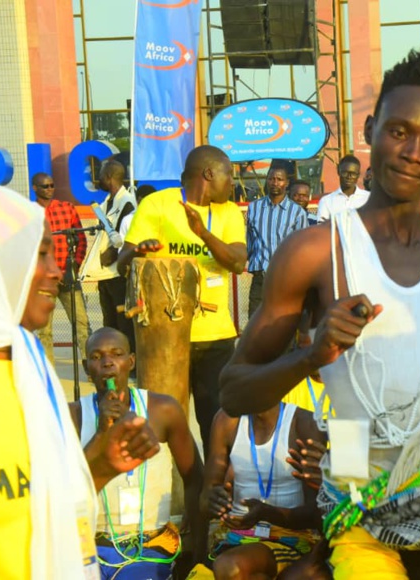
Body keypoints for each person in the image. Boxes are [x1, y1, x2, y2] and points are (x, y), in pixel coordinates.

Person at [218, 49, 420, 578]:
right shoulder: (315, 253)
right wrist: (314, 354)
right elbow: (233, 391)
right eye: (399, 131)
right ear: (371, 129)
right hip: (359, 497)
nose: (414, 152)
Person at [0, 183, 160, 579]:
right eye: (40, 253)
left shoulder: (28, 360)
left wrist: (100, 464)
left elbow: (39, 505)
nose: (55, 271)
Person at [118, 145, 248, 452]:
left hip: (216, 338)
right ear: (208, 174)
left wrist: (203, 233)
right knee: (163, 426)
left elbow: (238, 262)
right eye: (229, 174)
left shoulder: (229, 213)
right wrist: (138, 250)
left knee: (217, 423)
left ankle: (216, 490)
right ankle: (173, 493)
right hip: (165, 338)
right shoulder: (157, 205)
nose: (233, 182)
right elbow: (122, 261)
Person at [71, 327, 207, 577]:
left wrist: (199, 554)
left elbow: (195, 479)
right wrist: (101, 434)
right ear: (85, 367)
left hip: (149, 543)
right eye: (97, 357)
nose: (108, 363)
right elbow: (66, 491)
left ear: (131, 362)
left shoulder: (162, 410)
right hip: (92, 543)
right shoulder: (73, 415)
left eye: (117, 354)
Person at [202, 401, 326, 579]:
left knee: (231, 567)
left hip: (287, 540)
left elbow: (316, 515)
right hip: (233, 540)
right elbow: (204, 502)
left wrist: (267, 513)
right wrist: (215, 502)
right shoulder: (226, 420)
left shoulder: (303, 423)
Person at [32, 171, 91, 366]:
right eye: (45, 186)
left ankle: (90, 367)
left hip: (68, 276)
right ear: (35, 188)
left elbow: (81, 240)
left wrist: (72, 267)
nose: (50, 189)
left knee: (82, 324)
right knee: (44, 330)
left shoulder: (66, 209)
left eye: (52, 185)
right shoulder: (29, 213)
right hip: (44, 282)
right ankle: (48, 370)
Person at [83, 160, 137, 354]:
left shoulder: (127, 202)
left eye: (101, 175)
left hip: (118, 275)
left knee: (123, 323)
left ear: (108, 177)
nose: (98, 179)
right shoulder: (106, 202)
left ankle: (129, 363)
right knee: (109, 322)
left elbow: (127, 236)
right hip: (105, 274)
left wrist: (113, 254)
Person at [246, 165, 309, 317]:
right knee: (256, 328)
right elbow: (249, 242)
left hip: (285, 280)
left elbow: (301, 250)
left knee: (283, 328)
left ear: (287, 183)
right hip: (260, 280)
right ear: (267, 181)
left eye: (279, 179)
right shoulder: (254, 208)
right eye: (271, 179)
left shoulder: (297, 213)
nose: (275, 183)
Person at [317, 154, 370, 222]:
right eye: (345, 173)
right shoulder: (326, 201)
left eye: (353, 174)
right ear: (338, 172)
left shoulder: (369, 198)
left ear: (358, 175)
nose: (349, 177)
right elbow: (323, 229)